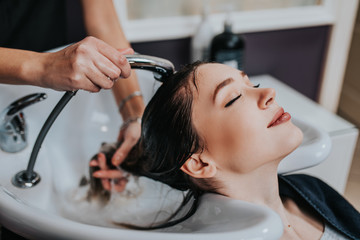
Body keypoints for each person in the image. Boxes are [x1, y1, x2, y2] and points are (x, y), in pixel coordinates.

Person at [91, 62, 360, 239]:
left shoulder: (310, 190)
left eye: (250, 84)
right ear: (199, 163)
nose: (268, 92)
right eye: (233, 98)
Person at [0, 0, 144, 170]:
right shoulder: (45, 68)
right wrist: (43, 67)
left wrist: (134, 115)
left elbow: (104, 19)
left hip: (48, 82)